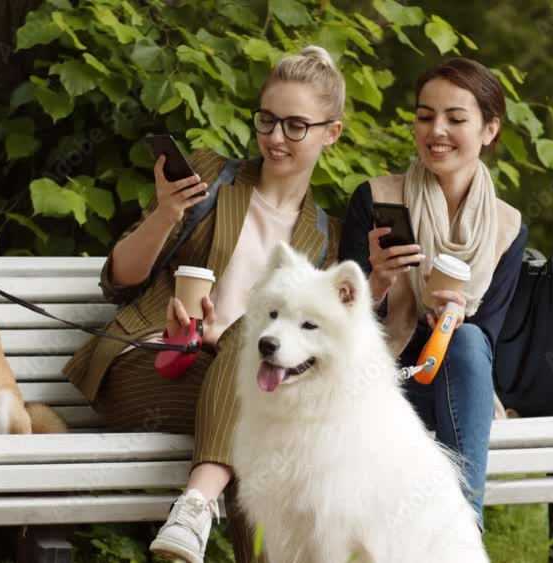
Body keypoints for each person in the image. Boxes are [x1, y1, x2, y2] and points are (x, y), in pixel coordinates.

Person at [62, 46, 345, 562]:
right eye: (267, 120)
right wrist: (166, 214)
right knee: (265, 406)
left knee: (260, 406)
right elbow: (119, 280)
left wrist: (226, 337)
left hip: (240, 383)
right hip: (150, 361)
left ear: (332, 132)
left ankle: (193, 510)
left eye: (296, 126)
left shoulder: (323, 237)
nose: (276, 138)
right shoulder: (213, 177)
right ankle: (195, 508)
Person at [338, 57, 529, 530]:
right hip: (382, 383)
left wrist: (450, 319)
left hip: (454, 385)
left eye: (455, 118)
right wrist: (377, 283)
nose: (436, 130)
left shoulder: (507, 225)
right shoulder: (377, 198)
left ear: (489, 130)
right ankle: (465, 543)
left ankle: (463, 529)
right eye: (425, 116)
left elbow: (486, 338)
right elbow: (337, 326)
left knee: (466, 341)